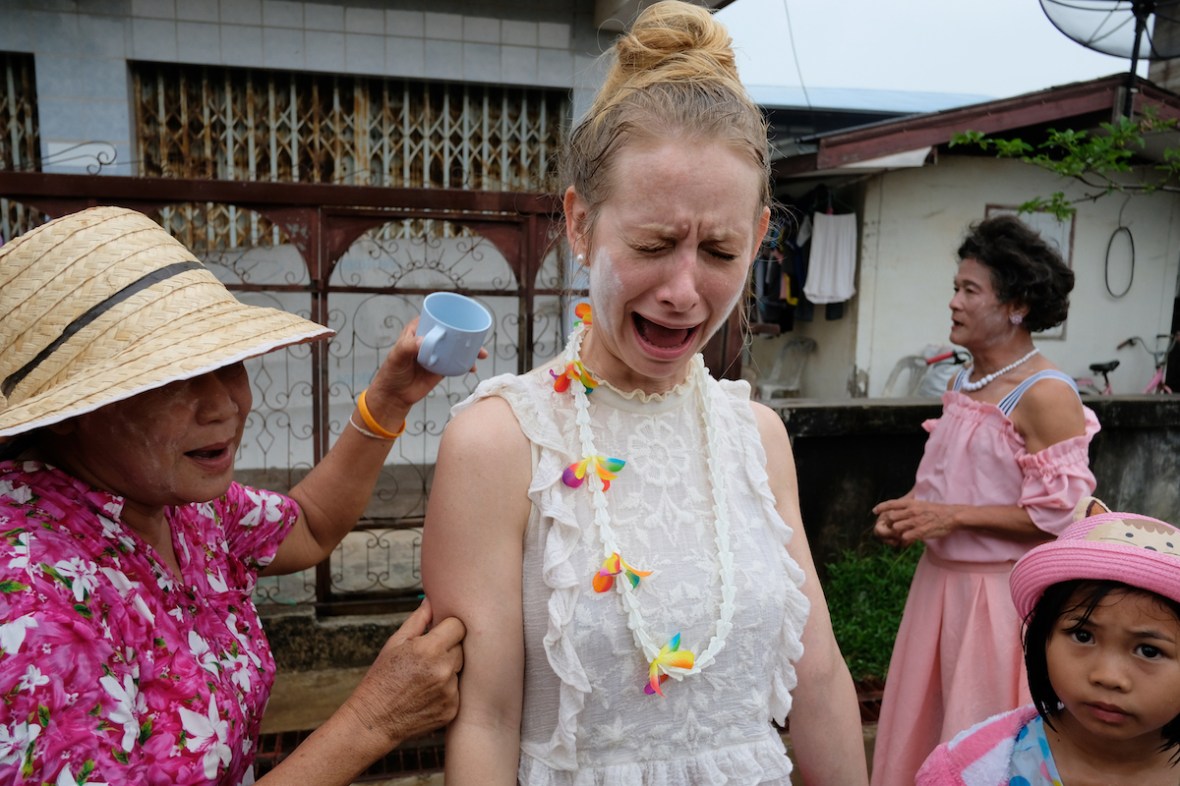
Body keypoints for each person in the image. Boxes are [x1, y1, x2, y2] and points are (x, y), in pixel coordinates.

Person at [419, 3, 868, 784]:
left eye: (721, 250)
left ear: (760, 238)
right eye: (654, 245)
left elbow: (819, 678)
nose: (685, 291)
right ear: (581, 224)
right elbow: (485, 719)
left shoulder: (755, 436)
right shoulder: (500, 441)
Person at [0, 206, 468, 785]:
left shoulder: (179, 507)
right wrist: (373, 720)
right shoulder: (32, 607)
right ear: (71, 412)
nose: (224, 404)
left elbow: (311, 525)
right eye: (172, 378)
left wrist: (388, 403)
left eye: (228, 365)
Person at [869, 214, 1100, 786]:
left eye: (969, 290)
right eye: (956, 287)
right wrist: (912, 512)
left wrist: (947, 516)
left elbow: (1058, 516)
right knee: (927, 732)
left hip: (997, 601)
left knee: (980, 743)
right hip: (937, 589)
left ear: (1016, 305)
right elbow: (949, 482)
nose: (953, 302)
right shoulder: (962, 383)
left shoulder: (1046, 394)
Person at [917, 501, 1180, 785]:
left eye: (1149, 651)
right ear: (1044, 637)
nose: (1107, 677)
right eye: (1083, 636)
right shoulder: (971, 770)